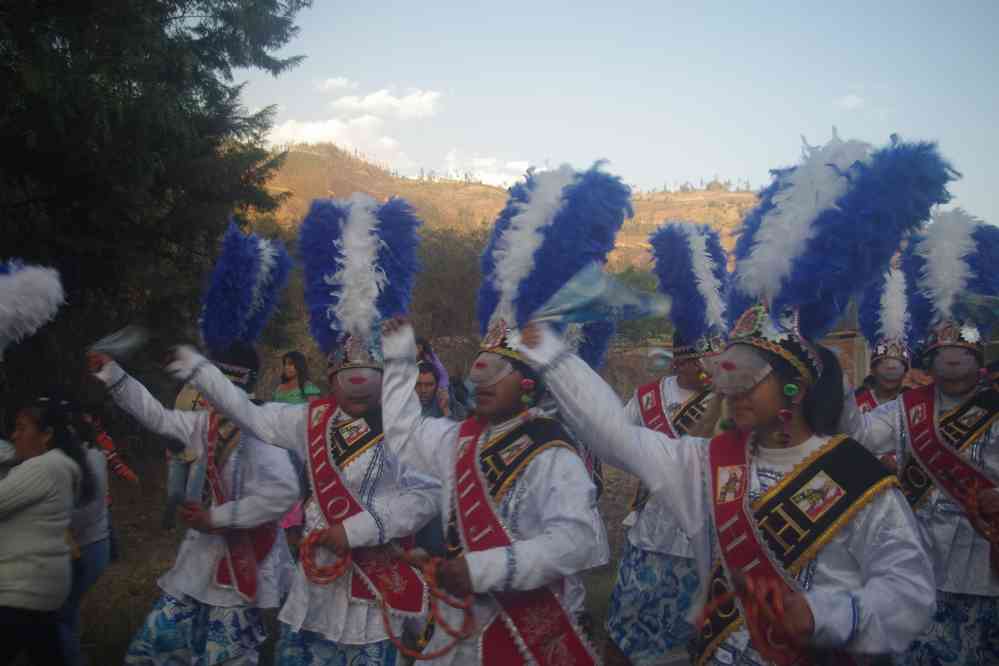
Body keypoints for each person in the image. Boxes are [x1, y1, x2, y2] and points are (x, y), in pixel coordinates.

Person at [522, 133, 952, 664]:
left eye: (748, 373)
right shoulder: (704, 464)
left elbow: (907, 591)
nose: (731, 386)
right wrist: (550, 353)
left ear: (793, 386)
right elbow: (614, 433)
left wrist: (822, 613)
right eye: (729, 371)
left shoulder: (856, 477)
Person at [377, 163, 632, 665]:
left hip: (526, 635)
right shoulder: (458, 439)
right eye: (480, 367)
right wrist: (400, 360)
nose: (482, 378)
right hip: (459, 628)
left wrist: (483, 568)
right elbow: (404, 432)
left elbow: (579, 541)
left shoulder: (554, 452)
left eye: (500, 370)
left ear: (531, 383)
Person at [167, 194, 439, 666]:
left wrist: (357, 529)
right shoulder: (308, 420)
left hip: (373, 585)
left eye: (368, 381)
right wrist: (202, 372)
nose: (356, 389)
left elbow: (426, 495)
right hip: (315, 584)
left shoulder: (404, 426)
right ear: (331, 379)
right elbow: (250, 413)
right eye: (346, 380)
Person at [92, 222, 299, 666]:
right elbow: (156, 417)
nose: (201, 393)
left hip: (244, 562)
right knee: (156, 651)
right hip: (199, 561)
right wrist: (113, 375)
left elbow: (283, 493)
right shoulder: (200, 425)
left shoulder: (261, 431)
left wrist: (217, 516)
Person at [843, 209, 999, 665]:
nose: (952, 359)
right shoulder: (905, 408)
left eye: (962, 350)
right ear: (928, 359)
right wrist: (834, 387)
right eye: (943, 351)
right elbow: (860, 434)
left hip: (987, 567)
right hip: (920, 563)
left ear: (980, 357)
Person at [606, 222, 727, 666]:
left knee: (690, 638)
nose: (709, 367)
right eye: (701, 358)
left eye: (716, 358)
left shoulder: (731, 404)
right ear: (682, 358)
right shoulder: (647, 398)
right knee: (630, 624)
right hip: (651, 532)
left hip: (703, 536)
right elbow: (615, 443)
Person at [1, 397, 95, 666]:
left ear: (46, 435)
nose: (14, 435)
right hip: (36, 586)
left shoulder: (45, 467)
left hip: (20, 588)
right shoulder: (55, 466)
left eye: (22, 428)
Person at [57, 405, 112, 666]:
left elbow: (91, 509)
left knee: (56, 615)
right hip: (86, 546)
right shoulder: (78, 457)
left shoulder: (91, 458)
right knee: (67, 610)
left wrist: (53, 521)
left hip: (88, 547)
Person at [272, 351, 320, 551]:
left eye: (291, 364)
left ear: (299, 366)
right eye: (285, 364)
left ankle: (298, 532)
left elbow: (317, 414)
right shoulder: (279, 389)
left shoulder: (307, 387)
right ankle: (280, 531)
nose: (288, 368)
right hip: (279, 445)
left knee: (300, 487)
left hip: (301, 446)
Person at [855, 268, 911, 413]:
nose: (891, 369)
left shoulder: (913, 401)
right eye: (882, 364)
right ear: (872, 369)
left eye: (898, 366)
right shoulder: (855, 403)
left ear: (905, 372)